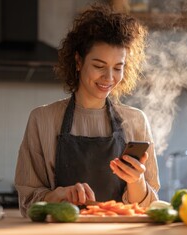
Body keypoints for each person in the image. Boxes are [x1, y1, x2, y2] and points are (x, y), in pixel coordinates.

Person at [14, 4, 160, 217]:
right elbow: (28, 204)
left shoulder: (136, 121)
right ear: (78, 61)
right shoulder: (42, 119)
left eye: (118, 68)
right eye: (99, 66)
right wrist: (60, 195)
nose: (109, 78)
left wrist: (136, 181)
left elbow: (149, 208)